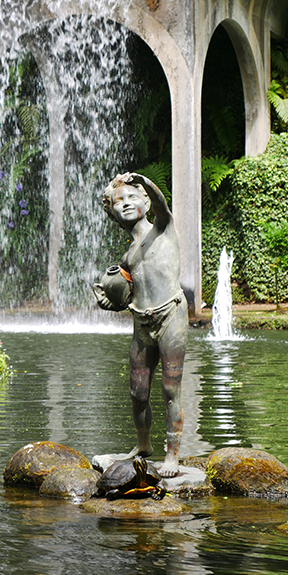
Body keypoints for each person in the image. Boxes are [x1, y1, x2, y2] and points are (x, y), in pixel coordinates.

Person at [93, 172, 188, 478]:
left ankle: (173, 455)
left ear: (146, 201)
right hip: (142, 321)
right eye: (119, 201)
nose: (127, 204)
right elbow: (123, 292)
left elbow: (163, 206)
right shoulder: (129, 255)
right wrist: (111, 301)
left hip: (171, 314)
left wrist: (144, 181)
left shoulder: (162, 228)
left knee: (170, 387)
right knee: (138, 391)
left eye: (134, 197)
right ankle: (143, 446)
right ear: (112, 213)